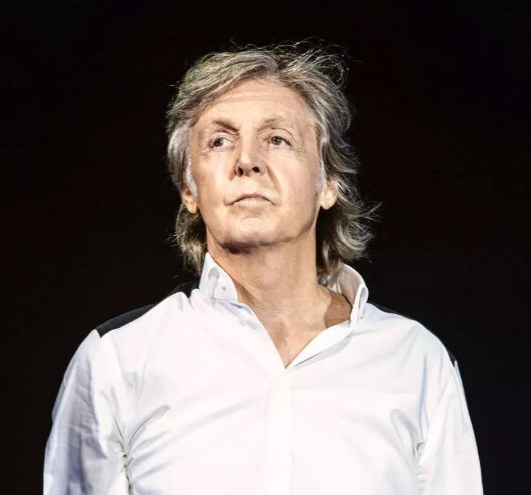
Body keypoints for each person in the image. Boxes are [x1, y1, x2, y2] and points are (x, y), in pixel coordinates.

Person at [44, 43, 483, 495]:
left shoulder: (415, 360)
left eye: (277, 139)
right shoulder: (117, 361)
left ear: (328, 183)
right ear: (189, 190)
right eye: (219, 141)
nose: (246, 160)